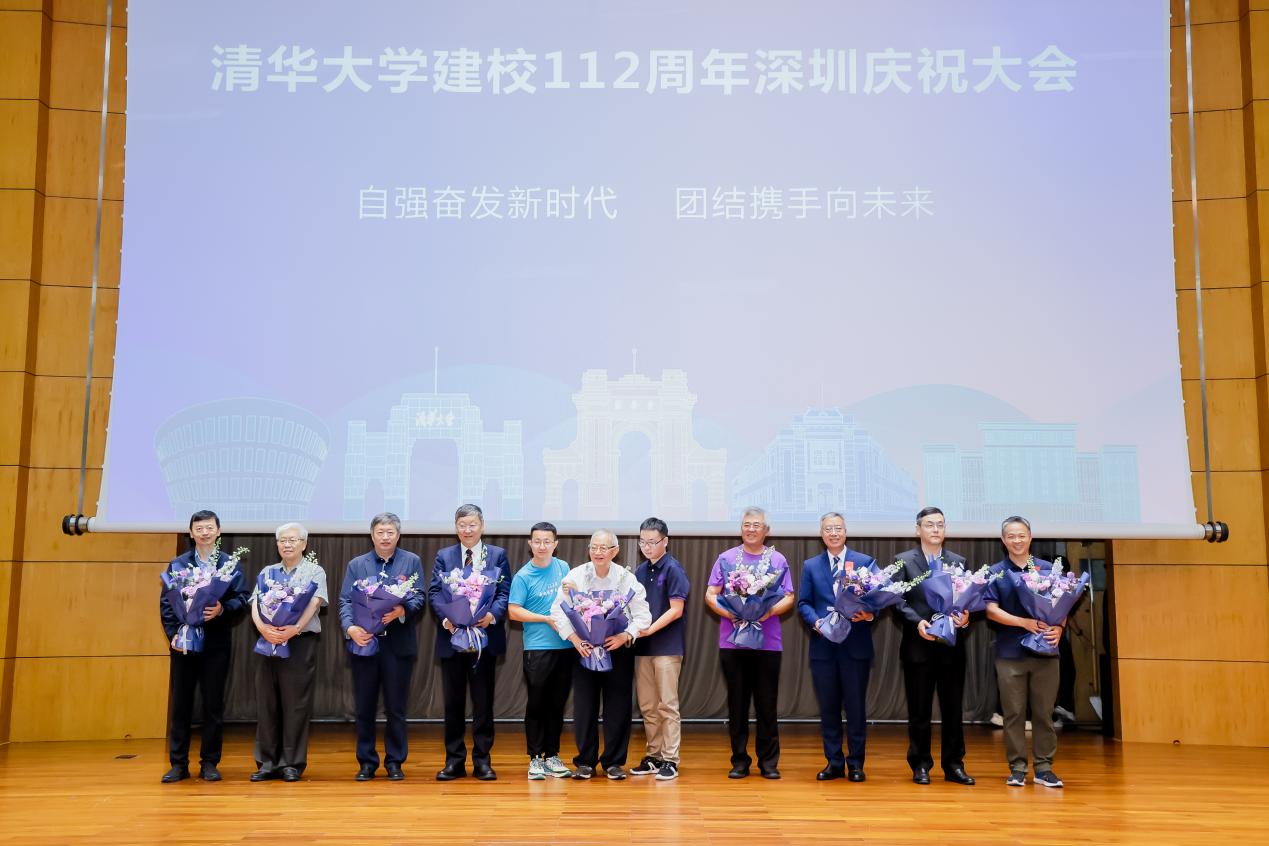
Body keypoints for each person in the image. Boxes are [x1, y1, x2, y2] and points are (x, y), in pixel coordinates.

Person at [551, 529, 651, 781]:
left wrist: (625, 636)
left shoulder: (626, 578)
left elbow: (643, 616)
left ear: (615, 551)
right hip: (584, 649)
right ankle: (585, 762)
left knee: (618, 707)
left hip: (616, 650)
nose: (598, 552)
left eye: (604, 548)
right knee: (585, 707)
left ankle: (614, 763)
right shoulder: (576, 575)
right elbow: (558, 610)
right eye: (594, 547)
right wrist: (575, 639)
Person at [704, 507, 796, 780]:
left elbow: (789, 596)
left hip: (768, 644)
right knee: (737, 704)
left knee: (767, 705)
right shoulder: (726, 558)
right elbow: (710, 594)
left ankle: (768, 762)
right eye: (747, 524)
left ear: (766, 530)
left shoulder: (777, 559)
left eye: (757, 525)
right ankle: (739, 761)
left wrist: (768, 612)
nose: (751, 529)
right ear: (741, 528)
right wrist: (731, 613)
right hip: (732, 643)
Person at [159, 509, 248, 783]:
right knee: (181, 705)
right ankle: (178, 764)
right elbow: (166, 604)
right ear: (191, 533)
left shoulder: (229, 564)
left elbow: (243, 598)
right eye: (199, 528)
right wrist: (174, 635)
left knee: (213, 705)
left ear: (218, 531)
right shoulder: (178, 564)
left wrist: (222, 609)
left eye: (210, 528)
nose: (205, 532)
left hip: (216, 644)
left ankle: (209, 762)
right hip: (183, 645)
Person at [338, 512, 426, 781]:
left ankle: (395, 762)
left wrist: (402, 610)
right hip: (365, 642)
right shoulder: (357, 564)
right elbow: (345, 601)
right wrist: (350, 629)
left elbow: (420, 596)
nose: (385, 537)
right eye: (380, 532)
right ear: (372, 535)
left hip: (397, 644)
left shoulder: (411, 561)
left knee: (396, 708)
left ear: (398, 535)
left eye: (390, 532)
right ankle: (366, 763)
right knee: (364, 707)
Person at [428, 503, 511, 781]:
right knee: (453, 704)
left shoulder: (497, 555)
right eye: (462, 525)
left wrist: (491, 615)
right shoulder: (444, 556)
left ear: (482, 526)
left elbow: (504, 592)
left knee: (483, 704)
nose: (467, 530)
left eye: (472, 524)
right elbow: (435, 593)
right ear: (456, 528)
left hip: (483, 640)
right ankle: (454, 761)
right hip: (452, 640)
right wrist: (447, 620)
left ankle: (482, 761)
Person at [893, 506, 975, 786]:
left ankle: (954, 765)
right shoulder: (904, 561)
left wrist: (965, 617)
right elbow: (896, 601)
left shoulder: (958, 562)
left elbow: (966, 598)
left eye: (940, 524)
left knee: (953, 710)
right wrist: (917, 622)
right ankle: (920, 764)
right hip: (918, 646)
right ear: (918, 530)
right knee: (919, 711)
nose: (936, 529)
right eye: (929, 524)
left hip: (951, 648)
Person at [985, 515, 1067, 788]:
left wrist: (1059, 628)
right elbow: (991, 610)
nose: (1017, 540)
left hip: (1046, 651)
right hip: (1010, 653)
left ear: (1030, 537)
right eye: (1011, 536)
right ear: (1003, 540)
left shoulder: (1048, 569)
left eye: (1021, 535)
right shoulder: (996, 571)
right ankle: (1017, 768)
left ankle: (1044, 768)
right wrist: (1023, 622)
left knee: (1044, 713)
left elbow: (1062, 605)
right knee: (1013, 714)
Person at [797, 511, 876, 783]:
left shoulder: (864, 562)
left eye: (838, 528)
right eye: (828, 529)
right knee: (829, 708)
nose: (833, 533)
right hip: (824, 647)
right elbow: (803, 603)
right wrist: (816, 622)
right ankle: (833, 762)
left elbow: (877, 598)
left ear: (845, 532)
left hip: (855, 646)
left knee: (855, 708)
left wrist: (870, 614)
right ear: (822, 534)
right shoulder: (811, 566)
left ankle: (856, 764)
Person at [250, 522, 328, 782]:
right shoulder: (268, 571)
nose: (287, 544)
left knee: (295, 705)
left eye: (293, 540)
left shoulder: (314, 571)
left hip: (299, 643)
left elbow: (314, 604)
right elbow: (255, 604)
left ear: (303, 544)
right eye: (282, 540)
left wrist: (293, 629)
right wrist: (263, 629)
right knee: (267, 702)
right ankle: (267, 763)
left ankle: (291, 764)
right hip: (268, 642)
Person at [507, 522, 574, 780]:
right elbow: (514, 611)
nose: (542, 546)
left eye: (547, 541)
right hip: (537, 648)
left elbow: (572, 601)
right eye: (537, 541)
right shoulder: (523, 576)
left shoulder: (563, 567)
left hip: (565, 646)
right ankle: (535, 758)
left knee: (557, 704)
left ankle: (552, 755)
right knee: (537, 703)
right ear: (530, 544)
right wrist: (545, 619)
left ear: (555, 544)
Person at [630, 517, 690, 781]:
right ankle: (653, 756)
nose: (647, 547)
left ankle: (670, 759)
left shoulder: (674, 569)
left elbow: (676, 609)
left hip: (667, 647)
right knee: (648, 706)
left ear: (665, 541)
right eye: (643, 542)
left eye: (652, 542)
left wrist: (650, 629)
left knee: (667, 705)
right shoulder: (639, 571)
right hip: (643, 647)